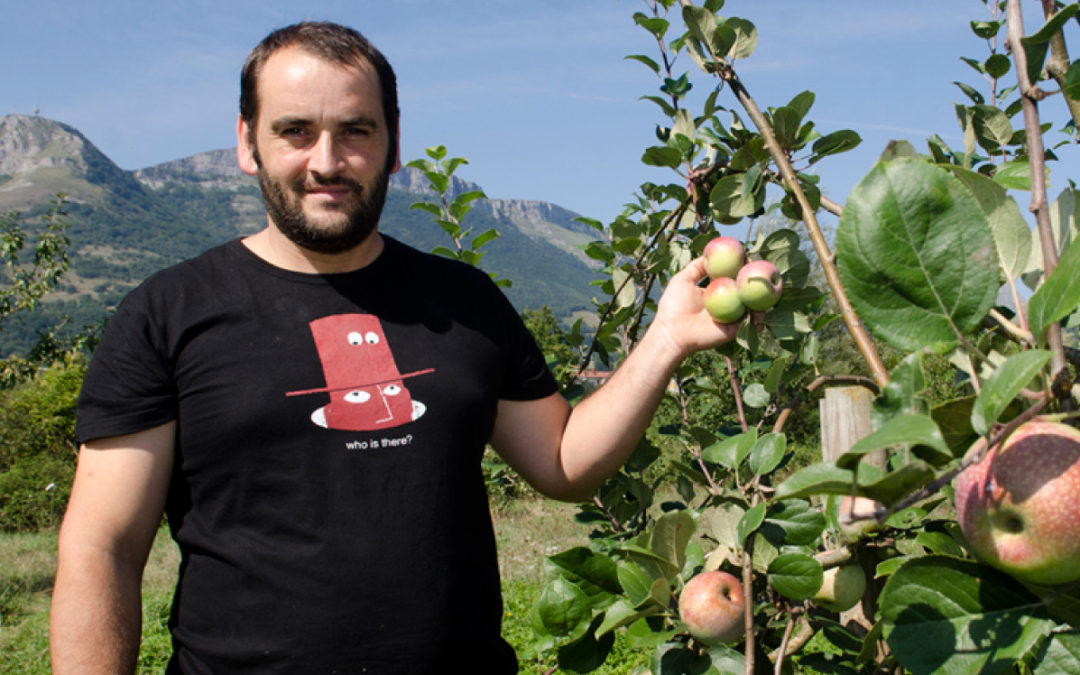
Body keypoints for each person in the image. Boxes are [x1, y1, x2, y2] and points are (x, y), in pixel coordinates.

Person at [49, 21, 738, 674]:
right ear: (247, 141)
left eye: (355, 131)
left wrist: (668, 337)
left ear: (394, 142)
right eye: (295, 131)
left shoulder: (464, 302)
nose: (326, 160)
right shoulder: (167, 313)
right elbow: (101, 545)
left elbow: (562, 461)